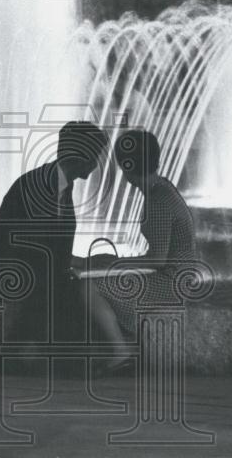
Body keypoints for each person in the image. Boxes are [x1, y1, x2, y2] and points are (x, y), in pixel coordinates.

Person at [0, 121, 109, 344]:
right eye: (96, 155)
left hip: (34, 271)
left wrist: (82, 263)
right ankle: (32, 354)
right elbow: (30, 246)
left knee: (80, 289)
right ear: (82, 155)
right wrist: (67, 270)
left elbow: (51, 247)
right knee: (72, 294)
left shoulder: (63, 186)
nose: (97, 163)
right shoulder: (36, 186)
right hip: (10, 273)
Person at [85, 129, 198, 373]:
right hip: (179, 278)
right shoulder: (162, 187)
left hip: (171, 284)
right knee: (100, 271)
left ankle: (120, 350)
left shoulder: (158, 198)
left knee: (89, 286)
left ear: (126, 164)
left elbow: (157, 260)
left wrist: (113, 264)